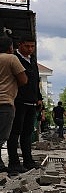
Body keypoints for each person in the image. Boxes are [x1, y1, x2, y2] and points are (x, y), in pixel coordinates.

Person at [7, 37, 43, 175]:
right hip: (18, 101)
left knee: (27, 133)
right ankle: (14, 162)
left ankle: (28, 161)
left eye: (32, 46)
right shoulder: (14, 58)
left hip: (32, 102)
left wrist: (39, 98)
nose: (30, 49)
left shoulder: (32, 60)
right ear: (20, 45)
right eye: (27, 46)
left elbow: (36, 81)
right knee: (14, 133)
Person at [0, 36, 27, 172]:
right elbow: (23, 79)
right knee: (2, 136)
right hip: (4, 102)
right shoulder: (11, 58)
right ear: (10, 47)